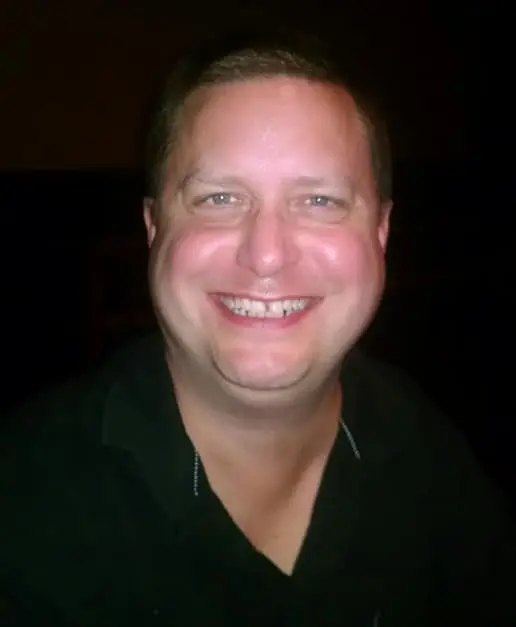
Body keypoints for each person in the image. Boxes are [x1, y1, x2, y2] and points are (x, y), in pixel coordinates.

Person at [1, 28, 514, 626]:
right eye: (219, 198)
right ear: (152, 228)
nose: (267, 255)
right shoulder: (24, 506)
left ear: (382, 232)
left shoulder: (434, 462)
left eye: (319, 201)